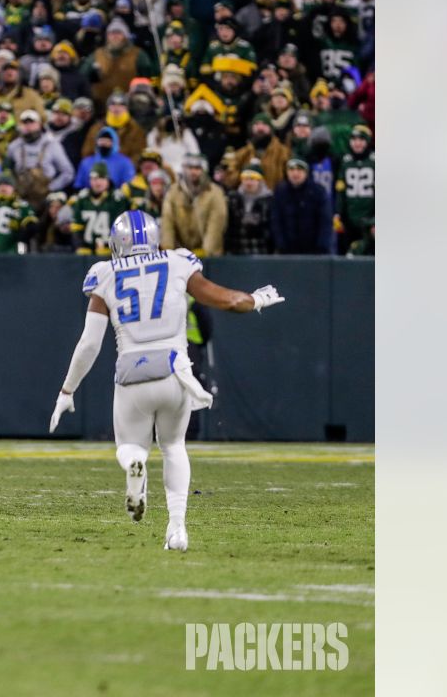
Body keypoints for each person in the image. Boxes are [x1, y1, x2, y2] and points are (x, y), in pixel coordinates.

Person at [48, 210, 286, 551]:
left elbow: (89, 344)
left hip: (132, 373)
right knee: (174, 446)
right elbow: (225, 299)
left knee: (130, 446)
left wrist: (67, 390)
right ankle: (177, 530)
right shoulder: (176, 262)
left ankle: (136, 464)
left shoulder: (104, 274)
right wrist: (256, 299)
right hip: (175, 372)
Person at [160, 154, 228, 257]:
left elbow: (216, 225)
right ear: (183, 169)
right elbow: (167, 222)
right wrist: (168, 250)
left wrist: (206, 251)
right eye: (190, 168)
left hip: (209, 256)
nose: (193, 172)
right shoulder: (173, 192)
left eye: (197, 168)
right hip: (179, 255)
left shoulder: (215, 193)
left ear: (204, 170)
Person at [65, 162, 130, 256]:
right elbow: (76, 227)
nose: (98, 182)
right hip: (86, 253)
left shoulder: (117, 200)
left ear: (108, 180)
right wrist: (80, 246)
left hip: (111, 254)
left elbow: (123, 230)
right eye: (94, 179)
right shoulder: (82, 199)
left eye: (101, 178)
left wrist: (110, 246)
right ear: (90, 180)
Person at [273, 157, 334, 255]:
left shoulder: (318, 191)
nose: (295, 173)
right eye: (291, 169)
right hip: (287, 251)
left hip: (313, 251)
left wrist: (321, 247)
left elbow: (325, 221)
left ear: (306, 172)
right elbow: (276, 220)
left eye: (299, 169)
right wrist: (280, 244)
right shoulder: (280, 191)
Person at [336, 124, 375, 255]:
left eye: (361, 140)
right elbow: (340, 191)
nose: (357, 143)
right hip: (349, 220)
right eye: (354, 139)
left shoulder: (374, 162)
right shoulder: (345, 162)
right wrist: (338, 214)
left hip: (370, 221)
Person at [225, 161, 274, 255]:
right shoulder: (233, 199)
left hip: (261, 251)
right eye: (245, 178)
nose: (248, 182)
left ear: (260, 181)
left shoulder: (269, 200)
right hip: (237, 252)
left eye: (252, 179)